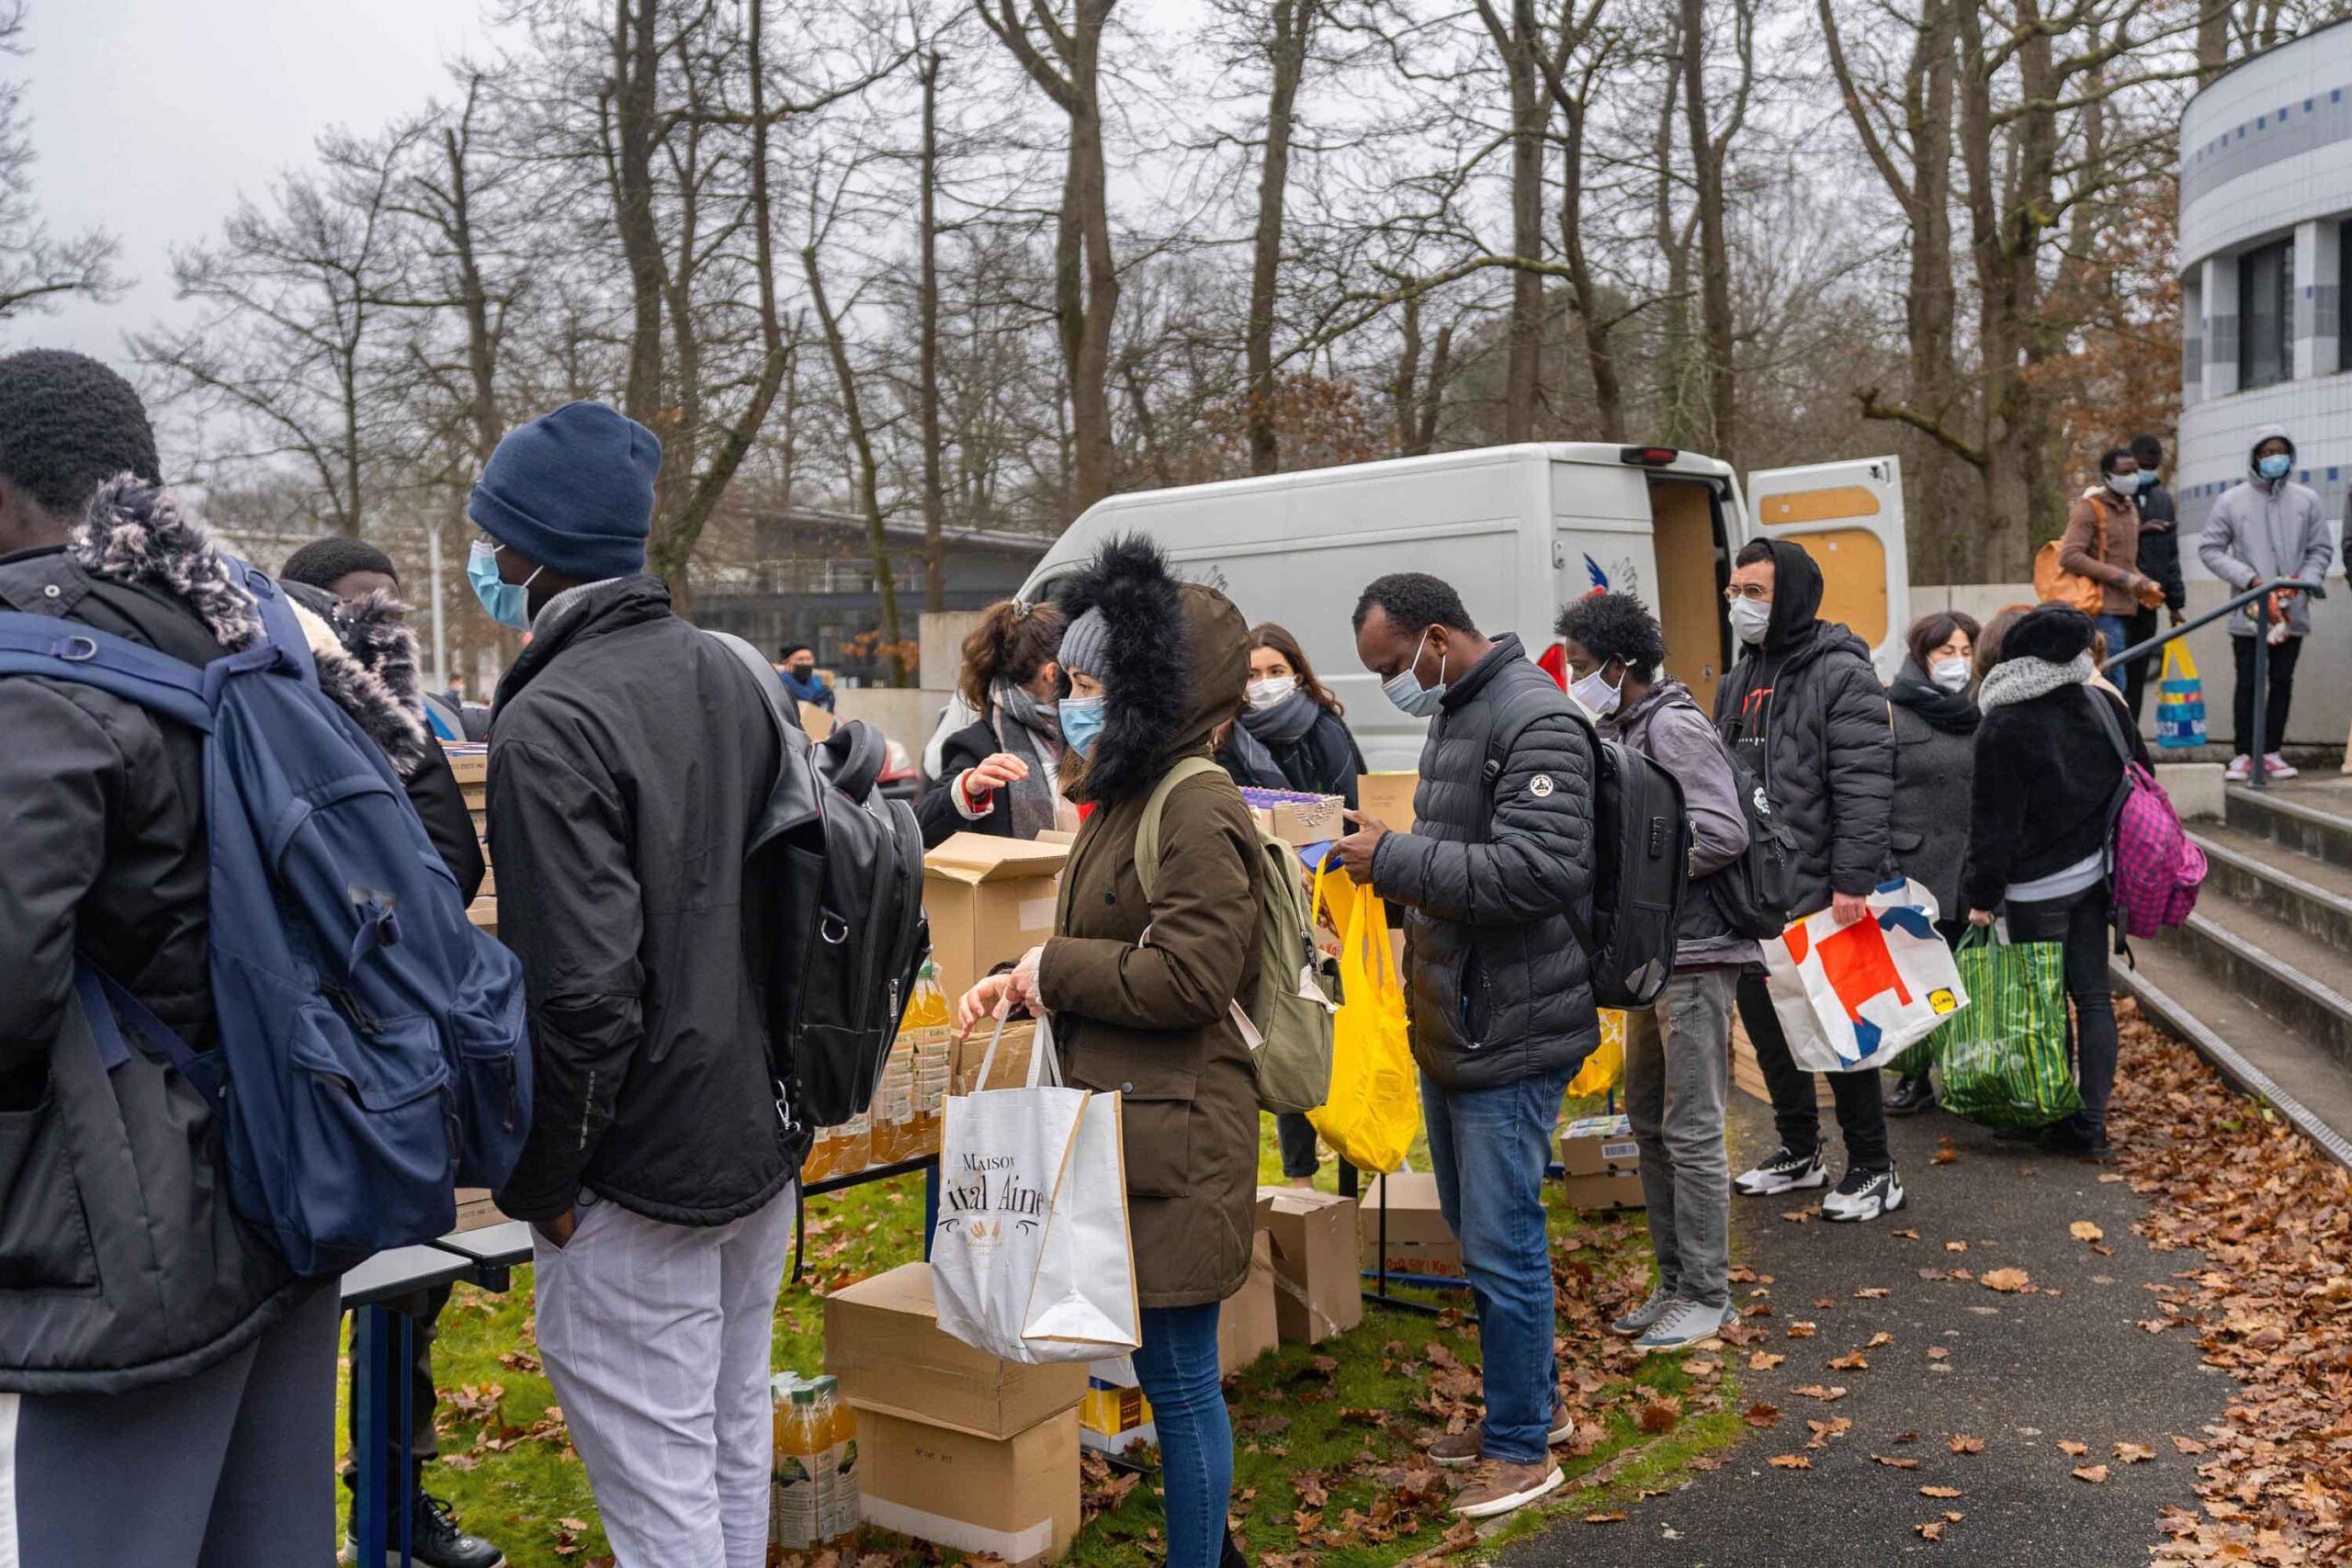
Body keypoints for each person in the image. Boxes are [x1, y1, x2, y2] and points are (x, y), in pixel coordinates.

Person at [0, 350, 426, 1562]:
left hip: (105, 1250)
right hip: (299, 1169)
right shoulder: (266, 620)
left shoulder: (30, 663)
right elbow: (432, 846)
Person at [475, 401, 794, 1567]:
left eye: (490, 539)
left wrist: (547, 1178)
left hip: (638, 1172)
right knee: (723, 1438)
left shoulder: (550, 716)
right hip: (754, 1143)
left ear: (534, 549)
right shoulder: (731, 671)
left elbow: (581, 993)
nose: (483, 563)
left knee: (667, 1500)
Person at [953, 536, 1261, 1568]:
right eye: (1066, 683)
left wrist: (1053, 971)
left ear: (1148, 692)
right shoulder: (1125, 793)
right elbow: (1103, 944)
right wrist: (1020, 978)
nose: (1069, 700)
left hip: (1182, 1142)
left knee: (1178, 1385)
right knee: (1168, 1375)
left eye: (1087, 683)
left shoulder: (1197, 804)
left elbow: (1188, 979)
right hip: (1136, 1129)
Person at [1332, 571, 1593, 1519]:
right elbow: (1468, 856)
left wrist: (1394, 859)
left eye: (1395, 664)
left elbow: (1545, 867)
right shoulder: (1463, 711)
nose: (1395, 683)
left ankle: (1525, 1451)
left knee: (1502, 1243)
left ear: (1437, 637)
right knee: (1482, 1240)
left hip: (1512, 1028)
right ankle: (1534, 1413)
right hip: (1459, 1020)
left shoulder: (1536, 720)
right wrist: (1385, 852)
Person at [278, 539, 503, 1568]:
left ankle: (397, 1509)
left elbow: (449, 866)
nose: (386, 630)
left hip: (409, 1061)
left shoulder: (410, 720)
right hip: (313, 1066)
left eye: (394, 612)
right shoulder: (280, 717)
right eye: (362, 610)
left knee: (405, 1305)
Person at [1557, 592, 1752, 1354]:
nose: (1574, 679)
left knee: (1692, 1126)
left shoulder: (1671, 725)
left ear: (1619, 663)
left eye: (1580, 666)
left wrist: (1643, 881)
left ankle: (1709, 1292)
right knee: (1649, 1120)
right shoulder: (1627, 725)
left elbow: (1724, 831)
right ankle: (1674, 1284)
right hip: (1658, 956)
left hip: (1697, 955)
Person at [1714, 538, 1903, 1221]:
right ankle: (1799, 1149)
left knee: (1843, 1031)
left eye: (1755, 592)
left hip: (1824, 890)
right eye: (1735, 591)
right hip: (1754, 893)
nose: (1740, 604)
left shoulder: (1840, 672)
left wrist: (1852, 878)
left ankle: (1875, 1167)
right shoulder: (1739, 677)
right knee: (1771, 1027)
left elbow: (1863, 782)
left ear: (1789, 594)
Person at [1962, 604, 2147, 1156]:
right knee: (2093, 998)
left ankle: (2048, 1111)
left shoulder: (2004, 721)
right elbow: (2142, 773)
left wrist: (1981, 897)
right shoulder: (2102, 705)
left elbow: (1993, 825)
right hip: (2096, 876)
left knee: (2040, 1002)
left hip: (2033, 889)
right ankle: (2090, 1125)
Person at [1239, 621, 1367, 1187]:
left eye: (1274, 672)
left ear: (1297, 673)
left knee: (1333, 1019)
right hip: (1266, 899)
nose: (1263, 684)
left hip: (1327, 896)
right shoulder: (1226, 733)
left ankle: (1348, 1154)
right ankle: (1297, 1175)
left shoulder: (1325, 730)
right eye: (1251, 674)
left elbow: (1352, 811)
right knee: (1284, 1017)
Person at [1881, 611, 1981, 1119]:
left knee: (1967, 977)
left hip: (1969, 865)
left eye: (1966, 652)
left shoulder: (1983, 707)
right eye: (1947, 653)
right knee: (1917, 978)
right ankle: (1914, 1075)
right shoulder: (1893, 709)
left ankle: (1966, 1070)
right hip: (1914, 866)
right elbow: (1873, 791)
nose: (1958, 663)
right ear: (1923, 655)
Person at [2199, 425, 2333, 783]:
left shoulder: (2308, 500)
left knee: (2282, 680)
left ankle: (2272, 751)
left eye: (2281, 451)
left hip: (2294, 610)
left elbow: (2321, 549)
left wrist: (2304, 581)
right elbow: (2210, 549)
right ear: (2255, 457)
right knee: (2249, 682)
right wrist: (2250, 579)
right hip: (2251, 611)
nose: (2276, 457)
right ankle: (2244, 753)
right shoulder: (2232, 501)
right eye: (2268, 451)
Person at [916, 597, 1072, 848]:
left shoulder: (1085, 733)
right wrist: (968, 788)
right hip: (1022, 887)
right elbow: (920, 827)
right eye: (1079, 677)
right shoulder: (981, 744)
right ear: (1052, 674)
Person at [2059, 447, 2165, 664]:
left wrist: (2144, 582)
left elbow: (2125, 561)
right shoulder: (2088, 508)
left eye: (2134, 471)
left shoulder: (2131, 509)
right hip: (2099, 609)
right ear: (2108, 477)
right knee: (2112, 678)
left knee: (2129, 679)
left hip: (2130, 608)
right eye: (2125, 473)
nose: (2133, 478)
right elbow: (2069, 556)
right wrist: (2124, 578)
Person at [2122, 434, 2188, 719]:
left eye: (2154, 466)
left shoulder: (2162, 499)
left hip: (2149, 601)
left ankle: (2131, 738)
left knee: (2137, 674)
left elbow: (2170, 555)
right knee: (2115, 673)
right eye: (2143, 466)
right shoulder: (2113, 497)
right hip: (2116, 600)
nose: (2148, 471)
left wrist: (2175, 603)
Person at [778, 641, 835, 712]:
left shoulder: (817, 682)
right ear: (787, 663)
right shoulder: (781, 682)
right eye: (800, 660)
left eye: (809, 659)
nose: (805, 663)